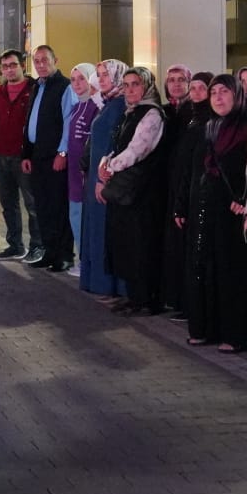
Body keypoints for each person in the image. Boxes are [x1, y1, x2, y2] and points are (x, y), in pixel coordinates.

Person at [180, 75, 247, 350]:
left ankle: (235, 333)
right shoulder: (209, 127)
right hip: (205, 205)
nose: (217, 97)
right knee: (204, 266)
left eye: (224, 91)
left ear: (237, 94)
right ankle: (206, 328)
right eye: (213, 92)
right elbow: (192, 169)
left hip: (235, 209)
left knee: (232, 271)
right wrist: (183, 204)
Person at [98, 67, 170, 315]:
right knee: (127, 243)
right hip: (128, 189)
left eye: (136, 84)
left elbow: (138, 149)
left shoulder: (152, 114)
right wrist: (105, 163)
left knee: (142, 243)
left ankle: (147, 299)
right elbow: (119, 145)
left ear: (147, 86)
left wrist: (111, 168)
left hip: (143, 191)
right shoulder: (131, 112)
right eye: (126, 85)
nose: (130, 90)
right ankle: (134, 295)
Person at [160, 70, 212, 318]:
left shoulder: (210, 121)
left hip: (199, 195)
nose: (196, 93)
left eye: (203, 88)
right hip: (179, 189)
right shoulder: (185, 116)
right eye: (195, 88)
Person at [78, 59, 128, 296]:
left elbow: (114, 146)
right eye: (99, 75)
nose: (101, 79)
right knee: (95, 229)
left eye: (106, 74)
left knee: (104, 232)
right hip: (95, 179)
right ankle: (96, 280)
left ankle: (107, 283)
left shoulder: (120, 106)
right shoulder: (108, 104)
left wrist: (103, 179)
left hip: (105, 180)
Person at [22, 45, 74, 273]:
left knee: (58, 208)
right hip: (38, 157)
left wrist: (63, 152)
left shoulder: (64, 87)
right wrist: (27, 153)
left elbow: (68, 122)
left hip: (55, 158)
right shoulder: (37, 86)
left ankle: (64, 255)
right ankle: (49, 252)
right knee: (42, 207)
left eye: (45, 60)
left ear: (55, 60)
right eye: (37, 60)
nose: (40, 64)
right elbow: (31, 122)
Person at [0, 49, 37, 260]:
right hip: (2, 157)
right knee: (9, 205)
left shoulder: (34, 90)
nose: (9, 69)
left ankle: (37, 246)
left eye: (13, 65)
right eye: (5, 66)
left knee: (33, 205)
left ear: (22, 65)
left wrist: (30, 155)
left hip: (23, 157)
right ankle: (15, 245)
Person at [63, 63, 101, 279]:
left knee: (87, 221)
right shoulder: (77, 107)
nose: (77, 84)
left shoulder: (97, 107)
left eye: (82, 79)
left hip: (87, 175)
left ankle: (89, 263)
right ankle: (81, 260)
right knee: (75, 218)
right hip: (74, 175)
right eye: (73, 79)